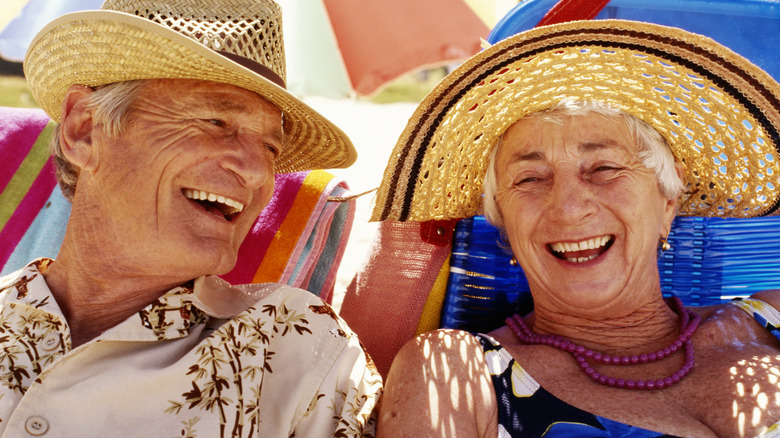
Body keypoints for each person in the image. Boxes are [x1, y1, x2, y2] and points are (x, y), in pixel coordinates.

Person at [373, 20, 780, 437]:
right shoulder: (459, 374)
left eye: (604, 168)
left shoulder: (770, 320)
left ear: (667, 199)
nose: (567, 209)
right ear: (503, 218)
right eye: (530, 179)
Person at [0, 0, 382, 436]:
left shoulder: (292, 346)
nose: (258, 172)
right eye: (216, 122)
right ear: (83, 130)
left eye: (271, 150)